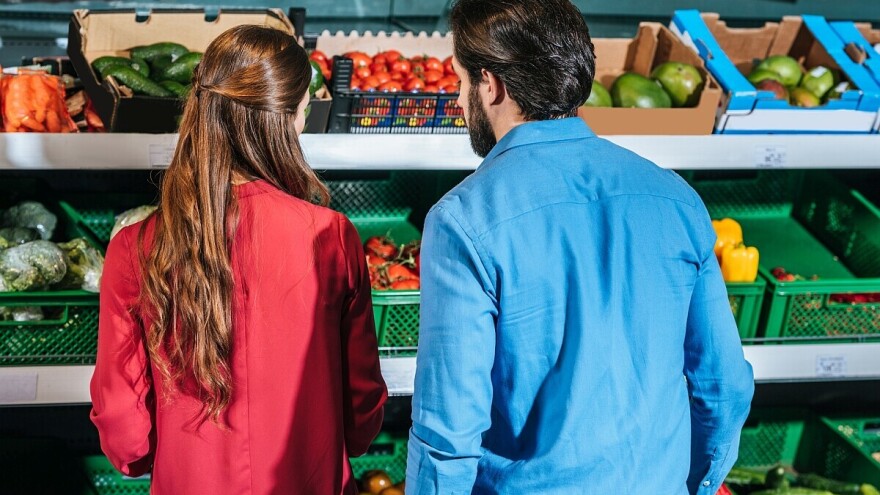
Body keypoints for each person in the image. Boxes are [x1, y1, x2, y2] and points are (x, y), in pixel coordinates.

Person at [407, 1, 754, 493]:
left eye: (462, 82)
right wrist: (693, 482)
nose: (462, 101)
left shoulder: (464, 219)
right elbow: (724, 387)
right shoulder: (677, 199)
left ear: (491, 85)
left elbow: (448, 432)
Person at [91, 25, 387, 494]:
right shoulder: (332, 237)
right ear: (289, 118)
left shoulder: (134, 248)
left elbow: (126, 433)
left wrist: (149, 457)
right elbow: (363, 406)